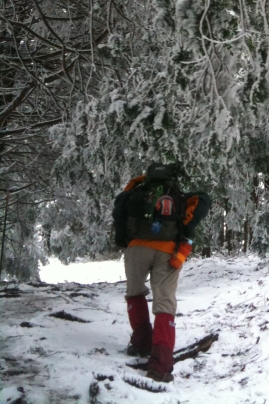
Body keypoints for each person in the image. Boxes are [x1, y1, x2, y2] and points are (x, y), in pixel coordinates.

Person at [112, 161, 211, 382]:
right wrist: (185, 231)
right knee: (164, 301)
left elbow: (119, 209)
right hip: (167, 251)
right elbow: (202, 201)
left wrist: (125, 241)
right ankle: (160, 363)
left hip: (136, 247)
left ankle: (141, 342)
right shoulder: (176, 195)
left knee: (135, 292)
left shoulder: (136, 190)